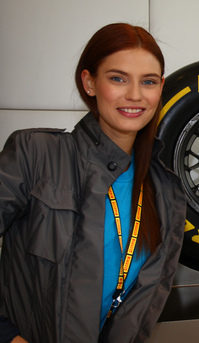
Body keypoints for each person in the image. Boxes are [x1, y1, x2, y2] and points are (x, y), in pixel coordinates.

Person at [0, 23, 186, 342]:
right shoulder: (36, 154)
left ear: (161, 87)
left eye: (148, 82)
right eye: (118, 78)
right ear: (89, 82)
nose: (135, 95)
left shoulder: (166, 192)